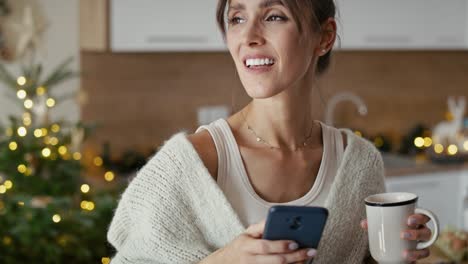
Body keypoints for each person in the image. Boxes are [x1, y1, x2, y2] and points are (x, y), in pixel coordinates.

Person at [107, 0, 434, 263]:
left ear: (324, 37)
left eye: (274, 16)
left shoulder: (359, 163)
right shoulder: (189, 163)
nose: (248, 36)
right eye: (236, 18)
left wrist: (397, 253)